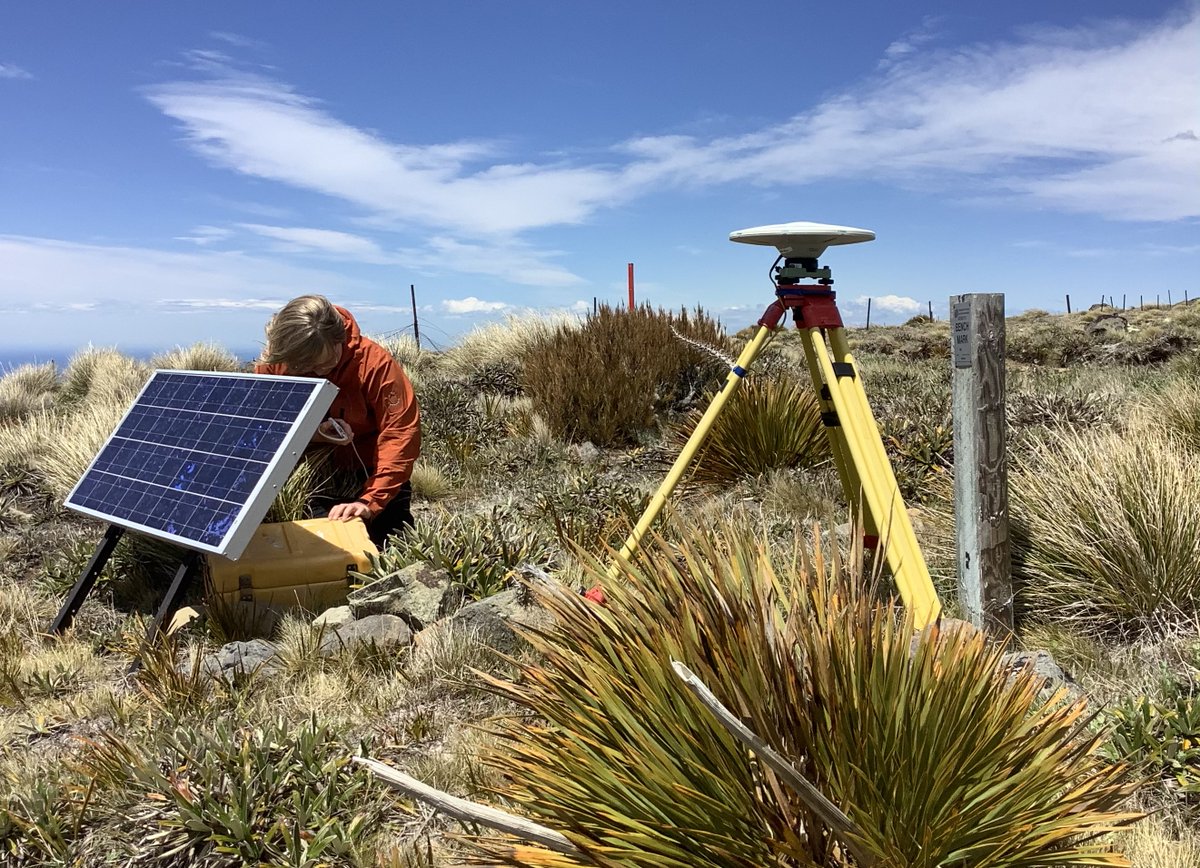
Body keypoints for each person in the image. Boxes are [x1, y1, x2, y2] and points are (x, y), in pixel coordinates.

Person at [255, 295, 421, 547]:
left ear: (339, 339)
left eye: (325, 363)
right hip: (309, 474)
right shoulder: (280, 361)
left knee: (390, 544)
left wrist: (370, 501)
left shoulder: (375, 365)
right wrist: (315, 434)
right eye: (306, 367)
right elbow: (265, 427)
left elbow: (400, 434)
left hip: (371, 470)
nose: (319, 371)